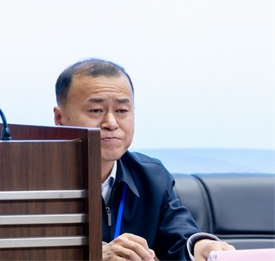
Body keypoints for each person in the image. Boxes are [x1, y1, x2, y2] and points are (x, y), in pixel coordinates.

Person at [53, 58, 234, 261]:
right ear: (60, 118)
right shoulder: (33, 182)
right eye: (96, 111)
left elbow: (180, 238)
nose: (111, 123)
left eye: (122, 111)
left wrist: (202, 246)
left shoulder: (151, 176)